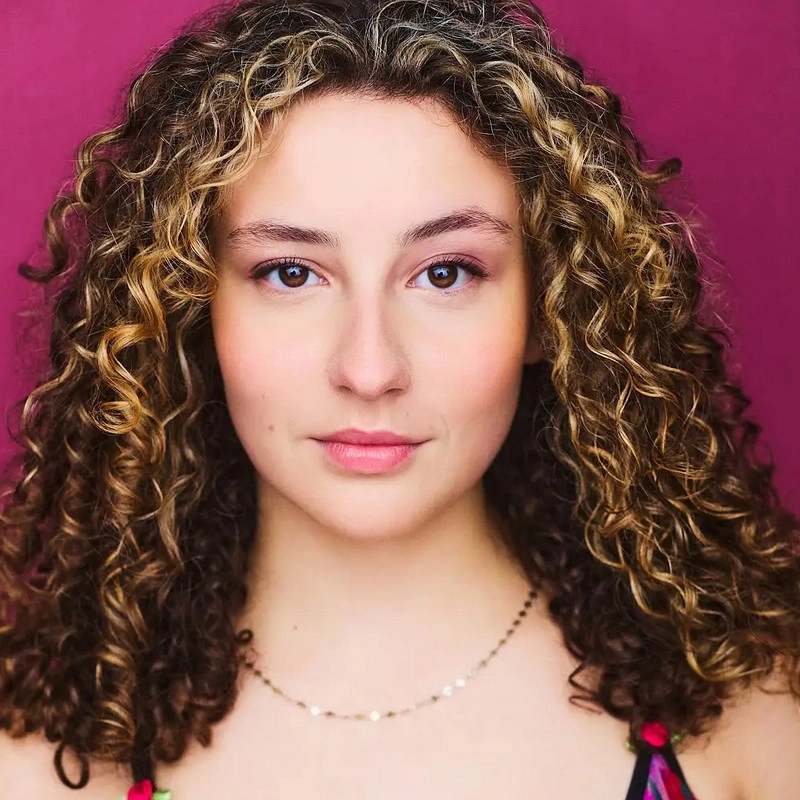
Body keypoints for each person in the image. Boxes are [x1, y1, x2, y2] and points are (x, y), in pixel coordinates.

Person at [1, 0, 799, 797]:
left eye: (445, 273)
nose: (370, 367)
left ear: (550, 308)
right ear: (191, 307)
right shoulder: (37, 765)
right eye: (290, 273)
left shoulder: (760, 713)